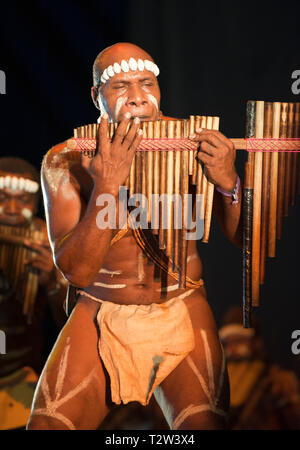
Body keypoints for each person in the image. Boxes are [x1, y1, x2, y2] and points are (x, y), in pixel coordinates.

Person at [27, 42, 243, 430]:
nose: (138, 97)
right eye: (120, 86)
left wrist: (229, 183)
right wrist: (106, 185)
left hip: (182, 302)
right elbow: (76, 272)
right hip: (100, 309)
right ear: (97, 96)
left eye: (147, 83)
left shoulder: (195, 145)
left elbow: (246, 242)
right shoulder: (65, 159)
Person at [0, 157, 67, 430]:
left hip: (20, 374)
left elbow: (68, 325)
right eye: (3, 198)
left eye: (24, 200)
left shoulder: (50, 242)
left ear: (37, 204)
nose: (13, 209)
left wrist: (52, 281)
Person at [219, 306, 300, 429]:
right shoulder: (218, 381)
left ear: (256, 342)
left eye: (240, 341)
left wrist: (286, 402)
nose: (233, 348)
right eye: (228, 343)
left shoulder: (277, 379)